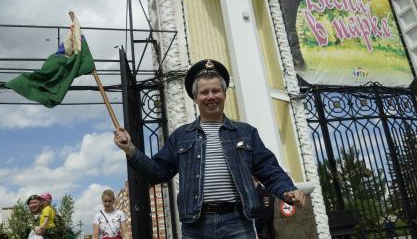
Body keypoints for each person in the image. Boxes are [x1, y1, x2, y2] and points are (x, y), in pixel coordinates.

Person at [114, 59, 306, 238]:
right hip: (196, 226)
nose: (211, 96)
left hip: (238, 222)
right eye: (204, 92)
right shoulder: (181, 136)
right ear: (195, 98)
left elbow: (269, 169)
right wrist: (131, 149)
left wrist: (287, 189)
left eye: (216, 91)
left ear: (224, 94)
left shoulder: (246, 133)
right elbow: (157, 173)